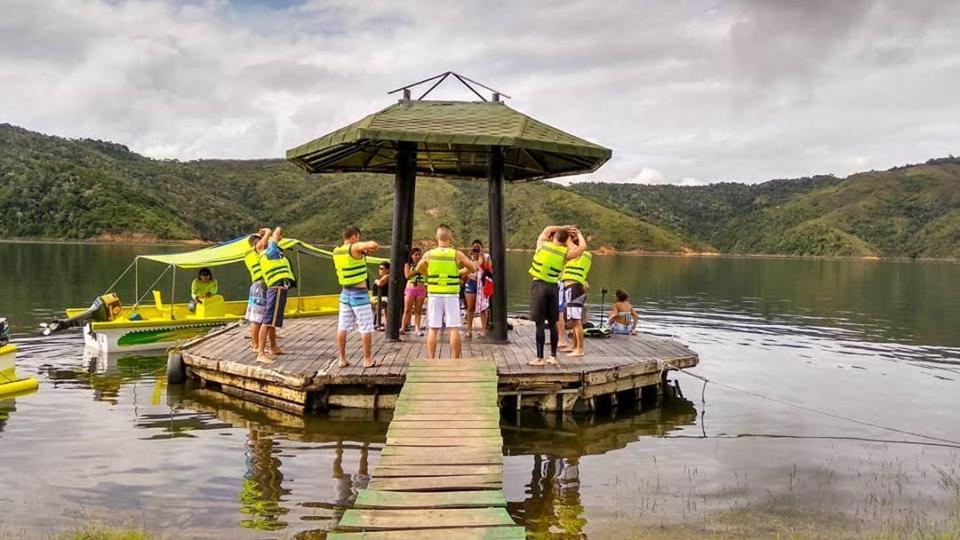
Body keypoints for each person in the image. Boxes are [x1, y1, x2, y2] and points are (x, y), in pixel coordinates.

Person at [527, 225, 587, 366]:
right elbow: (583, 247)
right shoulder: (565, 253)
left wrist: (564, 227)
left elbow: (546, 229)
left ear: (553, 237)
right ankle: (553, 356)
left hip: (539, 286)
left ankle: (540, 358)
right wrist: (577, 233)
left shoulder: (542, 246)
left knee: (539, 324)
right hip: (554, 288)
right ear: (566, 241)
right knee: (553, 322)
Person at [415, 225, 475, 359]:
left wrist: (429, 272)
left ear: (437, 237)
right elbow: (472, 267)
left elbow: (419, 268)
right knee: (453, 328)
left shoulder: (429, 254)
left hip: (434, 293)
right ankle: (455, 359)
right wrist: (460, 272)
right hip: (451, 294)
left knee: (433, 328)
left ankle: (431, 359)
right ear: (450, 237)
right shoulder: (456, 254)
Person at [333, 226, 380, 368]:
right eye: (358, 237)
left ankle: (341, 359)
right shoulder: (354, 247)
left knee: (342, 327)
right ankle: (367, 360)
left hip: (344, 293)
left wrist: (363, 251)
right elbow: (373, 245)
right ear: (353, 237)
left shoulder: (336, 251)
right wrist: (364, 247)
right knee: (365, 327)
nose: (358, 240)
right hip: (359, 294)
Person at [256, 227, 297, 363]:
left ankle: (273, 347)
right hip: (276, 288)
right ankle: (261, 353)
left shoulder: (272, 252)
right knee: (268, 321)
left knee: (272, 321)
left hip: (279, 288)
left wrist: (270, 235)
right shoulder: (270, 251)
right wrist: (269, 232)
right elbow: (278, 229)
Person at [558, 236, 592, 357]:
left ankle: (580, 349)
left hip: (575, 289)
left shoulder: (585, 255)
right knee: (573, 320)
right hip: (570, 289)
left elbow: (578, 249)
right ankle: (574, 346)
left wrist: (570, 238)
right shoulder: (570, 259)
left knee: (577, 321)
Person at [244, 229, 270, 351]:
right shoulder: (255, 252)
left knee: (260, 317)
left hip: (259, 286)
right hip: (260, 286)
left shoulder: (253, 254)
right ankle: (255, 344)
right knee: (256, 319)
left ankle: (256, 343)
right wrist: (268, 232)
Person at [463, 239, 492, 339]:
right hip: (471, 283)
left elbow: (490, 271)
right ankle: (468, 330)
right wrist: (471, 275)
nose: (476, 249)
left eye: (478, 247)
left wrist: (483, 259)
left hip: (482, 284)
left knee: (483, 308)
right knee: (470, 308)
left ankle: (483, 330)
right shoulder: (468, 258)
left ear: (481, 248)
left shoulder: (486, 257)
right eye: (474, 247)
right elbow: (464, 272)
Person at [401, 247, 426, 337]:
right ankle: (403, 328)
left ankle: (417, 329)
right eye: (416, 255)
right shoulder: (408, 265)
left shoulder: (423, 265)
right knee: (407, 309)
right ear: (412, 256)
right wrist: (417, 270)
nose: (418, 256)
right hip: (410, 288)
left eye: (419, 255)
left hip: (421, 288)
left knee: (418, 310)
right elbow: (407, 275)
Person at [373, 261, 390, 331]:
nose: (379, 270)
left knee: (382, 304)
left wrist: (376, 281)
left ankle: (383, 324)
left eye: (381, 268)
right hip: (378, 298)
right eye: (379, 268)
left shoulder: (387, 276)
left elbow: (380, 283)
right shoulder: (383, 277)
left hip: (384, 298)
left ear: (387, 270)